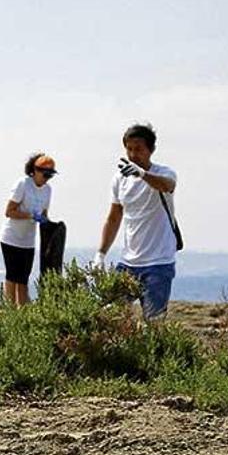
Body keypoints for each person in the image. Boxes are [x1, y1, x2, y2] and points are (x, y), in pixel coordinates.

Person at [93, 123, 179, 321]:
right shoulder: (119, 179)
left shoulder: (165, 173)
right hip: (128, 262)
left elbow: (167, 185)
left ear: (150, 150)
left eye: (138, 149)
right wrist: (101, 253)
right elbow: (114, 217)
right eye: (129, 149)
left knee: (154, 321)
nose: (133, 154)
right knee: (109, 315)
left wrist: (142, 174)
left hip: (158, 262)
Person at [0, 154, 56, 306]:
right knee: (12, 276)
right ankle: (10, 312)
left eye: (50, 175)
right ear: (35, 171)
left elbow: (44, 214)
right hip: (11, 238)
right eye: (45, 174)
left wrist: (47, 223)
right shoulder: (23, 184)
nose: (47, 178)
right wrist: (30, 215)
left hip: (28, 241)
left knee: (23, 279)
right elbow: (9, 211)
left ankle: (22, 312)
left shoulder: (48, 190)